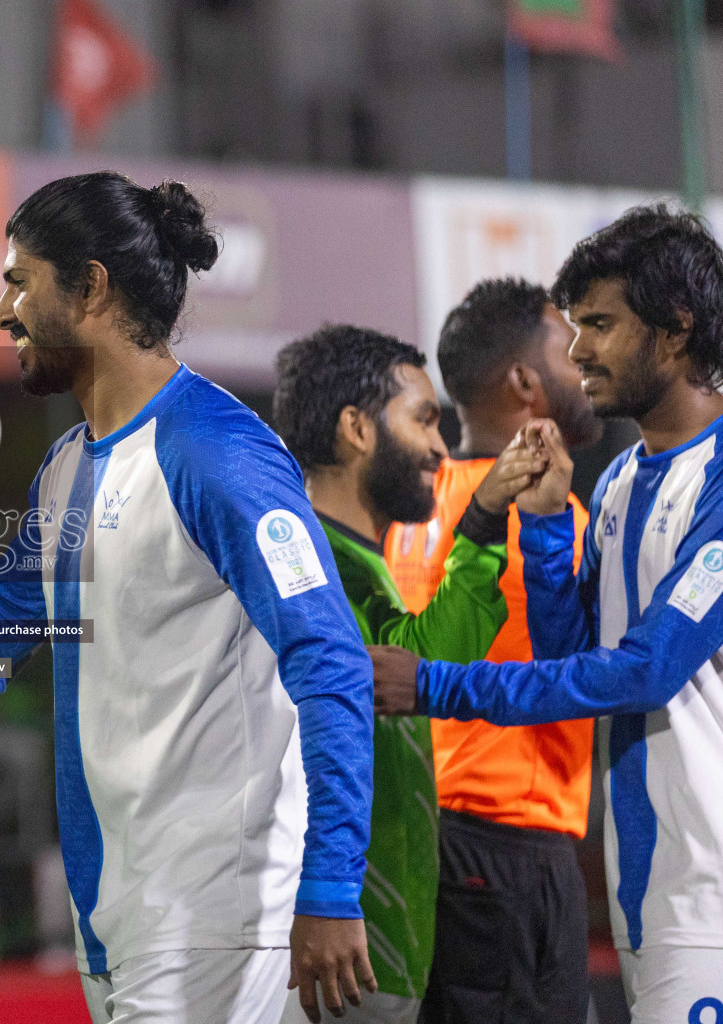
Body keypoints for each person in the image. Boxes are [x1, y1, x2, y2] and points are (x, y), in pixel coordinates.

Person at [0, 171, 378, 1024]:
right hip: (122, 917)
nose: (2, 313)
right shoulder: (70, 462)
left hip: (217, 918)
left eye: (18, 281)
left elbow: (331, 662)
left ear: (93, 287)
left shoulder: (216, 452)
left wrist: (330, 886)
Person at [370, 204, 723, 1023]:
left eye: (599, 324)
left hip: (707, 893)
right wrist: (551, 522)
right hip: (646, 887)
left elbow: (646, 669)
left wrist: (437, 684)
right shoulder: (623, 481)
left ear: (675, 333)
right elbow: (569, 647)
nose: (577, 349)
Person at [271, 325, 541, 1022]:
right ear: (356, 429)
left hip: (370, 958)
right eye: (423, 419)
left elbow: (417, 666)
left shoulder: (355, 569)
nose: (442, 448)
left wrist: (481, 519)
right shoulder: (304, 566)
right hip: (326, 953)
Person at [383, 278, 600, 1022]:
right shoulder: (548, 512)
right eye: (567, 350)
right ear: (523, 382)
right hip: (513, 850)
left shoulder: (413, 506)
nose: (584, 363)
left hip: (429, 846)